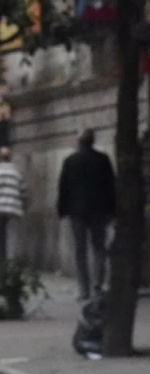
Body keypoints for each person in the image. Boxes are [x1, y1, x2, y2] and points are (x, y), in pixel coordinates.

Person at [57, 128, 116, 300]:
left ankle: (84, 289)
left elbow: (64, 187)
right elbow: (111, 185)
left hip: (77, 211)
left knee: (80, 249)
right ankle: (97, 286)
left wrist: (62, 209)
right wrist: (112, 210)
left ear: (79, 142)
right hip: (99, 210)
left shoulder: (70, 161)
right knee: (99, 248)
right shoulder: (103, 159)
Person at [0, 147, 26, 264]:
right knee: (12, 237)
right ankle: (10, 262)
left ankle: (0, 261)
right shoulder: (17, 171)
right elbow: (24, 191)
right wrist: (24, 205)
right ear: (10, 158)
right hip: (14, 208)